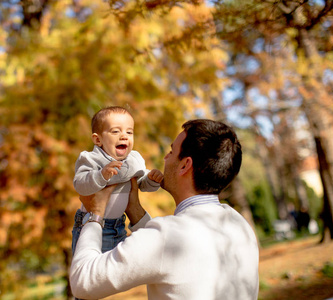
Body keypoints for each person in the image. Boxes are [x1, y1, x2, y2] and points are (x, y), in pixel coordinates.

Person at [70, 119, 259, 300]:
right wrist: (134, 209)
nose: (165, 158)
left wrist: (94, 214)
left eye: (171, 152)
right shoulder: (239, 224)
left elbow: (83, 282)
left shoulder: (167, 236)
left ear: (185, 165)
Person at [72, 106, 163, 254]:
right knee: (92, 268)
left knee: (115, 268)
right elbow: (80, 184)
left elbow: (142, 183)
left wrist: (152, 180)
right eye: (115, 131)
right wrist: (101, 175)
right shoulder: (91, 159)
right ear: (98, 139)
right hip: (90, 222)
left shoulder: (133, 160)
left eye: (129, 132)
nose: (124, 136)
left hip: (119, 224)